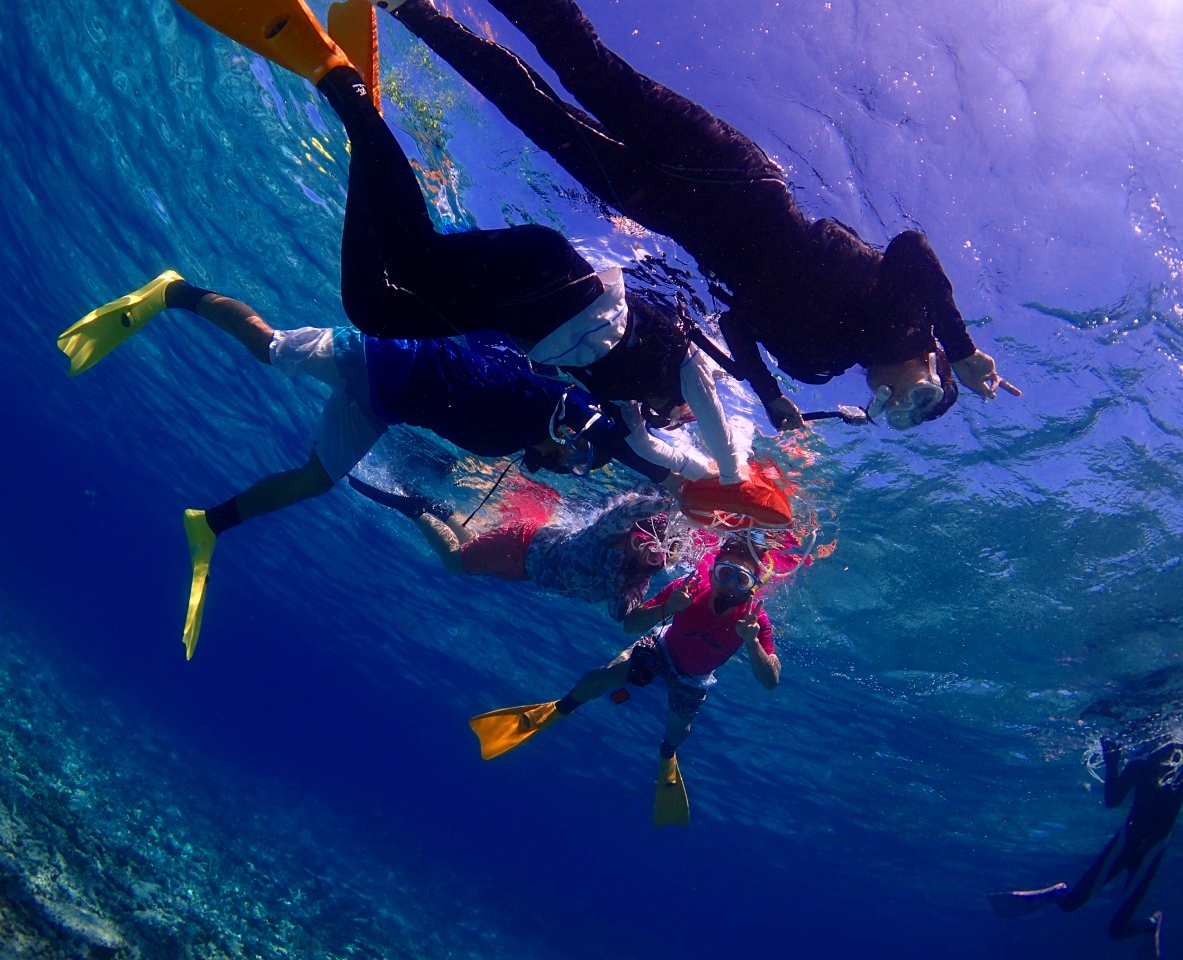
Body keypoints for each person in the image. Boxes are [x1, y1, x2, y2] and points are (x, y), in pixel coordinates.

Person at [166, 0, 793, 514]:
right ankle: (342, 86)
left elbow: (665, 457)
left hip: (526, 311)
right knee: (407, 264)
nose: (675, 417)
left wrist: (697, 490)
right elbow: (709, 421)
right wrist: (736, 479)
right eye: (680, 414)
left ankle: (363, 118)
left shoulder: (633, 414)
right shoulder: (688, 369)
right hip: (547, 281)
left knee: (374, 307)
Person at [379, 0, 1023, 431]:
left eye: (903, 419)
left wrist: (772, 398)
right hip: (734, 180)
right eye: (923, 399)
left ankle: (413, 12)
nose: (900, 405)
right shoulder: (909, 313)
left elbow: (738, 324)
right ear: (933, 368)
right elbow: (911, 245)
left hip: (679, 220)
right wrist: (963, 348)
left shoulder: (820, 364)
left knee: (541, 118)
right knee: (593, 72)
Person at [58, 271, 646, 659]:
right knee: (268, 349)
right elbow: (570, 400)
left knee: (315, 481)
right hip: (373, 354)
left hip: (379, 404)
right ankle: (173, 291)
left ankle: (208, 524)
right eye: (575, 459)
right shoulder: (542, 396)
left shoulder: (522, 421)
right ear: (575, 430)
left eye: (575, 469)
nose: (565, 468)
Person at [466, 535, 781, 827]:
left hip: (694, 677)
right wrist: (669, 608)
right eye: (725, 573)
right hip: (663, 648)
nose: (729, 586)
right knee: (606, 675)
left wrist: (752, 643)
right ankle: (560, 708)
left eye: (741, 580)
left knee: (679, 727)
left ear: (754, 586)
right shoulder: (690, 589)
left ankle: (668, 755)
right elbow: (631, 625)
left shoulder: (755, 621)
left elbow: (771, 682)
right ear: (713, 569)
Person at [349, 478, 675, 621]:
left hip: (526, 570)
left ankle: (439, 509)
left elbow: (621, 613)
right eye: (643, 543)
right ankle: (414, 509)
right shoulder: (608, 535)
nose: (647, 556)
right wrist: (671, 505)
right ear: (634, 534)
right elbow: (626, 510)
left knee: (471, 540)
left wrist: (625, 578)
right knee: (456, 561)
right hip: (524, 544)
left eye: (658, 555)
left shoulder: (637, 581)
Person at [988, 735, 1182, 958]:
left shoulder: (1177, 777)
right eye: (1163, 745)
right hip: (1124, 843)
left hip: (1152, 851)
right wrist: (1112, 762)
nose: (1165, 750)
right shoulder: (1139, 767)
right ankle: (1056, 893)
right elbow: (1113, 801)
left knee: (1117, 930)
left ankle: (1149, 925)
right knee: (1070, 904)